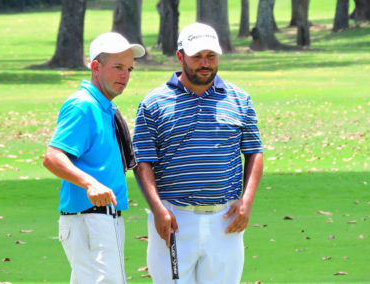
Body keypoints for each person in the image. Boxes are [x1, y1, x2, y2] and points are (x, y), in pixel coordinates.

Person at [133, 23, 263, 284]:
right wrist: (157, 209)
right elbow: (142, 161)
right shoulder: (154, 102)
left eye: (211, 56)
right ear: (180, 57)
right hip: (174, 220)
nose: (205, 63)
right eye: (197, 57)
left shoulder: (239, 99)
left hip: (226, 220)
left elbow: (254, 152)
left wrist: (246, 202)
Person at [42, 32, 145, 284]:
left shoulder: (103, 106)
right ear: (96, 67)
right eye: (118, 67)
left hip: (98, 218)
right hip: (91, 219)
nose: (125, 76)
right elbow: (53, 157)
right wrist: (91, 183)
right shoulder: (83, 105)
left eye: (129, 69)